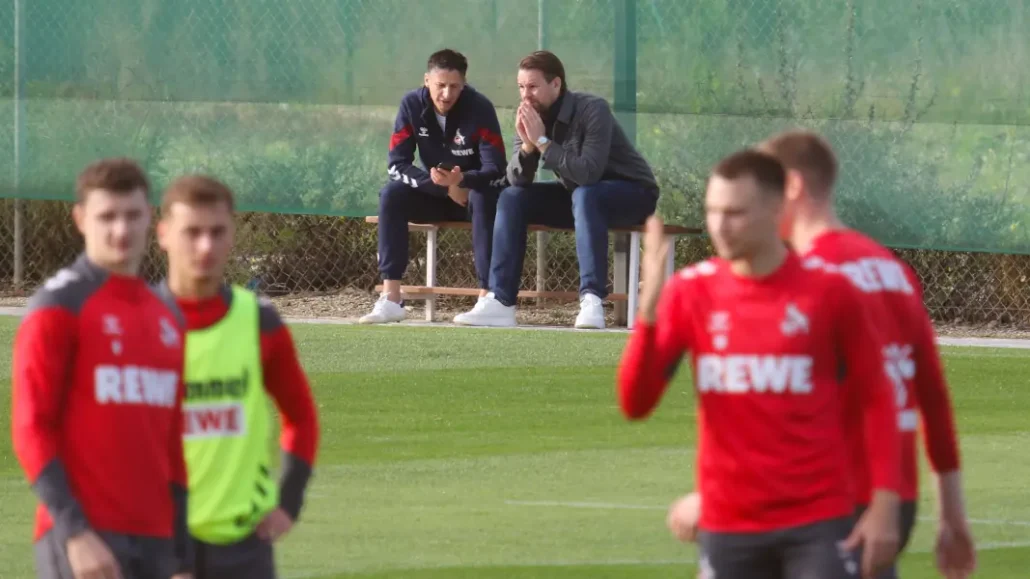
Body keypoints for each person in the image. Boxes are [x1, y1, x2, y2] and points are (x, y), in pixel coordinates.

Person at [666, 131, 978, 579]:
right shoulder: (893, 271)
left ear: (788, 189)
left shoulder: (813, 283)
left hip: (827, 501)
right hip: (896, 496)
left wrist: (719, 500)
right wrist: (952, 514)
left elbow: (799, 408)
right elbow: (930, 395)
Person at [617, 149, 902, 579]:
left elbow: (881, 401)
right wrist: (649, 312)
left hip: (818, 521)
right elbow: (635, 403)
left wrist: (884, 508)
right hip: (729, 524)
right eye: (712, 211)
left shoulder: (830, 292)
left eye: (735, 213)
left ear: (776, 210)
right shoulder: (692, 292)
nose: (719, 225)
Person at [12, 158, 193, 579]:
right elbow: (30, 428)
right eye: (106, 216)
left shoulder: (166, 319)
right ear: (80, 219)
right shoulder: (59, 307)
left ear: (150, 217)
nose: (121, 229)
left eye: (132, 215)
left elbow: (172, 447)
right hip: (82, 540)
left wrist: (183, 556)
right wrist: (75, 534)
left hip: (156, 542)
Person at [154, 175, 321, 579]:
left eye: (217, 231)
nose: (205, 246)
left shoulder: (257, 321)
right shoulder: (135, 325)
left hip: (244, 546)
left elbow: (300, 417)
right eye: (192, 232)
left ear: (232, 234)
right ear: (163, 234)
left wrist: (289, 502)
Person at [453, 50, 659, 329]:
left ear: (556, 85)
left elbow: (588, 173)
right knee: (512, 198)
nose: (526, 95)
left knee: (587, 194)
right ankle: (501, 302)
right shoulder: (531, 114)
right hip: (578, 196)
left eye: (533, 86)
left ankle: (592, 300)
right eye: (521, 87)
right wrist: (528, 147)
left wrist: (542, 142)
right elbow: (516, 179)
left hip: (633, 194)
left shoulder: (592, 109)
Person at [361, 48, 507, 324]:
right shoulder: (411, 105)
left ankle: (487, 298)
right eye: (441, 86)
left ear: (464, 84)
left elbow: (496, 167)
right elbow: (396, 164)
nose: (447, 95)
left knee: (484, 199)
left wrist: (462, 182)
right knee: (391, 194)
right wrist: (441, 186)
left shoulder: (480, 108)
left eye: (454, 87)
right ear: (426, 80)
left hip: (471, 197)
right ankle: (392, 299)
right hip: (435, 194)